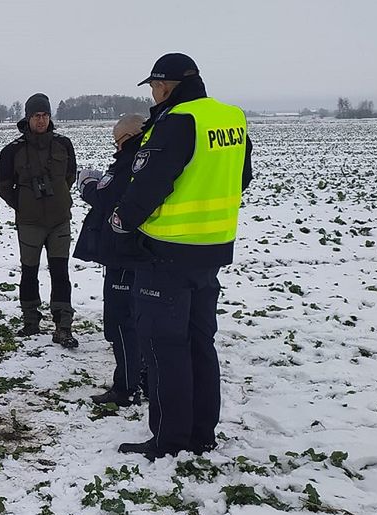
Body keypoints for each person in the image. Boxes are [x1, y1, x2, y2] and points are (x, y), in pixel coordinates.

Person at [108, 54, 254, 460]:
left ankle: (169, 439)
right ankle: (201, 433)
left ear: (166, 85)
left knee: (164, 347)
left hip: (166, 253)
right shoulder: (231, 118)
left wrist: (121, 220)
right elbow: (242, 176)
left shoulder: (177, 120)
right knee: (199, 343)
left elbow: (153, 180)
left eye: (154, 87)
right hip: (213, 249)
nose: (153, 94)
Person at [73, 114, 147, 407]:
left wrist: (87, 184)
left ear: (127, 139)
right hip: (143, 252)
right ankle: (145, 380)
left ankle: (126, 387)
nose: (116, 149)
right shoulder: (150, 160)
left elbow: (106, 197)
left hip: (124, 253)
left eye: (117, 142)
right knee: (142, 320)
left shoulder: (130, 161)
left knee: (120, 323)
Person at [0, 94, 80, 347]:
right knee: (29, 271)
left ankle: (63, 324)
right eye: (36, 116)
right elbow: (3, 186)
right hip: (30, 222)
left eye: (45, 115)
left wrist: (56, 199)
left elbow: (69, 176)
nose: (41, 120)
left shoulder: (63, 145)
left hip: (59, 220)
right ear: (28, 117)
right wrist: (23, 205)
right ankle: (30, 321)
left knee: (60, 271)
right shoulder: (13, 150)